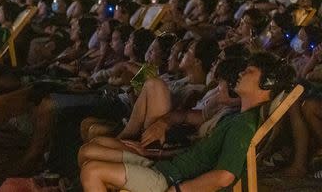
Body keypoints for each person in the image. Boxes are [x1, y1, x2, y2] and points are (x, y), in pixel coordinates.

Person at [78, 53, 293, 192]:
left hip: (170, 180)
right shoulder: (235, 117)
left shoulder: (243, 125)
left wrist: (180, 190)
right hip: (169, 168)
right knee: (89, 156)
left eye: (249, 72)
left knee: (92, 171)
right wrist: (157, 154)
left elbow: (225, 176)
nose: (241, 73)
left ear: (266, 84)